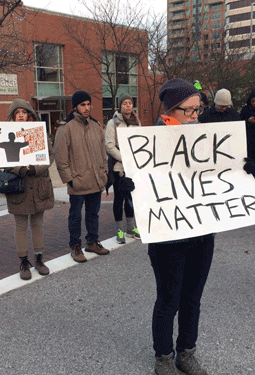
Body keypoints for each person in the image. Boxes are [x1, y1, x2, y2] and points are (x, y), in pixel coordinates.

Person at [149, 79, 213, 375]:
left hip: (202, 233)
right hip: (168, 237)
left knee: (192, 298)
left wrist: (242, 168)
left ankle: (187, 352)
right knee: (169, 299)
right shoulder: (149, 143)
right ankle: (163, 355)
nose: (195, 116)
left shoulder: (207, 137)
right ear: (171, 111)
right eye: (190, 111)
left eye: (199, 110)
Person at [54, 90, 109, 263]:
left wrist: (104, 172)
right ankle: (75, 246)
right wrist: (69, 179)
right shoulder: (66, 127)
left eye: (88, 104)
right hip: (77, 181)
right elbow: (60, 157)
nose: (86, 108)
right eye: (82, 105)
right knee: (75, 216)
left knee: (94, 214)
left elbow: (103, 153)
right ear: (75, 106)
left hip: (95, 179)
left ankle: (92, 241)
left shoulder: (96, 125)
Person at [4, 99, 54, 280]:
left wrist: (36, 168)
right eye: (17, 112)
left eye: (24, 112)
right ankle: (24, 261)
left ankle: (39, 258)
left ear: (29, 114)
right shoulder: (5, 133)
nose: (21, 115)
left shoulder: (39, 131)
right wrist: (19, 169)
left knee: (38, 224)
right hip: (19, 185)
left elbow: (50, 155)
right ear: (12, 116)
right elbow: (3, 159)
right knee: (21, 226)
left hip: (39, 184)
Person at [105, 93, 141, 244]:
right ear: (120, 106)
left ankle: (131, 228)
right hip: (119, 167)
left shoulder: (136, 122)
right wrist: (124, 157)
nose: (128, 105)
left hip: (133, 167)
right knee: (119, 199)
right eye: (125, 103)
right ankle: (120, 230)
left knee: (132, 198)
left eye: (130, 103)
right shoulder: (112, 123)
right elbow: (109, 145)